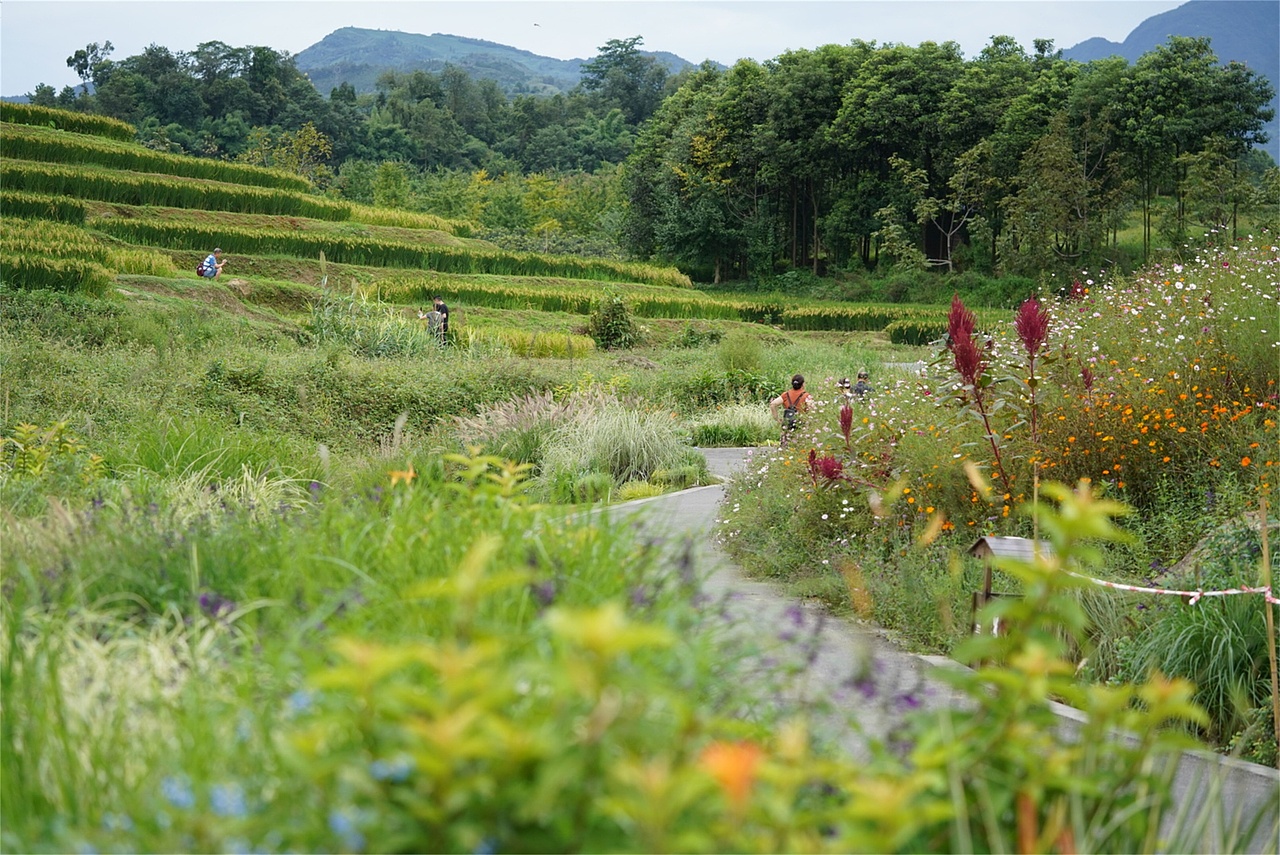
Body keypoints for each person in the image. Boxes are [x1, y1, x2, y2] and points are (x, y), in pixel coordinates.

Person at [769, 374, 810, 448]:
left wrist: (777, 419)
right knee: (800, 446)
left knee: (785, 446)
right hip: (800, 423)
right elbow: (811, 408)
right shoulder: (806, 395)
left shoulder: (786, 394)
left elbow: (773, 404)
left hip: (787, 423)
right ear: (803, 384)